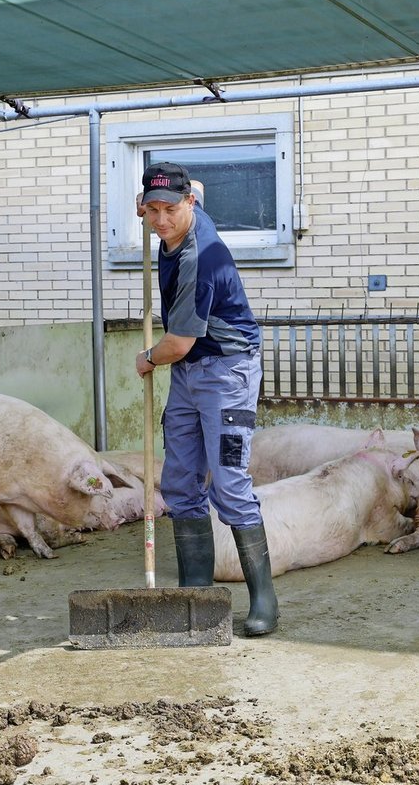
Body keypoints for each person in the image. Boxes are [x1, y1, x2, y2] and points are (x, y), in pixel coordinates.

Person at [134, 161, 278, 636]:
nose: (159, 221)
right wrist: (154, 200)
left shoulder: (203, 259)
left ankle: (263, 600)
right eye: (151, 210)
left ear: (188, 206)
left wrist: (147, 358)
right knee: (178, 480)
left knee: (230, 484)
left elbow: (176, 346)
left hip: (226, 372)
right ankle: (195, 584)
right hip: (189, 374)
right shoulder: (183, 210)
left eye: (169, 210)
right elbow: (188, 186)